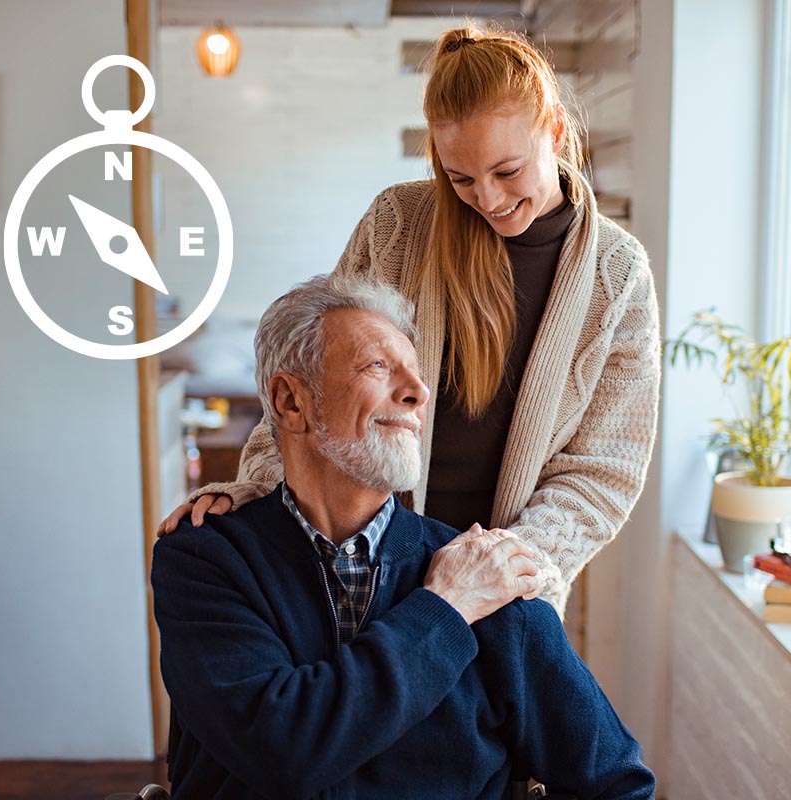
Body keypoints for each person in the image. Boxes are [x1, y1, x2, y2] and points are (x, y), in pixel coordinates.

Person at [161, 25, 661, 615]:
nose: (489, 199)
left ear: (554, 130)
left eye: (507, 171)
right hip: (357, 564)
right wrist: (259, 492)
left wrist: (495, 569)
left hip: (506, 595)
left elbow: (602, 474)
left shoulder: (618, 275)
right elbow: (316, 375)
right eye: (461, 178)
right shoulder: (399, 223)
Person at [152, 273, 656, 799]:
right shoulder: (204, 558)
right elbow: (281, 750)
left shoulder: (493, 585)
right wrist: (446, 609)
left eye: (417, 375)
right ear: (291, 402)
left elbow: (618, 784)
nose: (418, 394)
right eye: (378, 366)